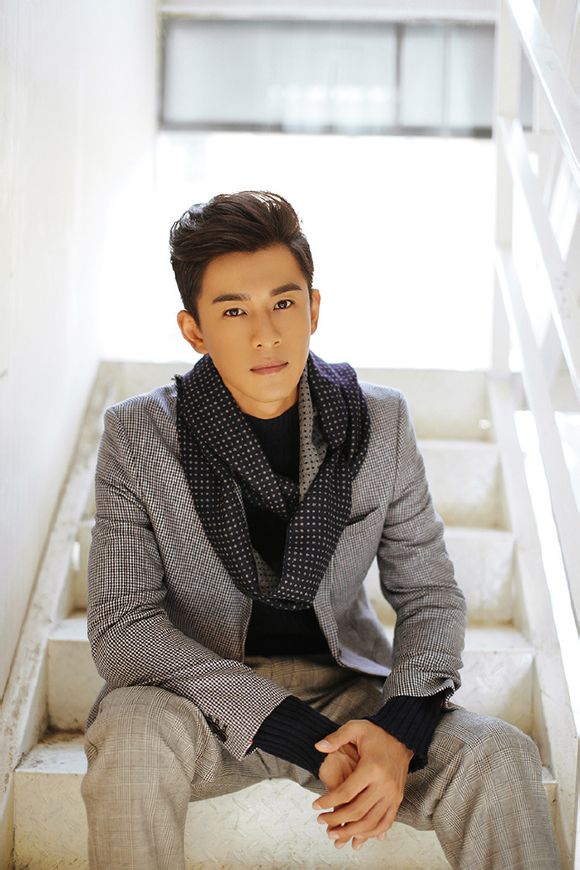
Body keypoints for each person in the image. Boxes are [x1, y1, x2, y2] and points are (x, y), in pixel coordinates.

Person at [80, 190, 560, 869]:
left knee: (499, 752)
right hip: (197, 701)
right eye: (234, 311)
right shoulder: (138, 433)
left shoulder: (380, 421)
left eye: (283, 303)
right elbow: (123, 628)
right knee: (130, 732)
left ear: (313, 308)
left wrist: (400, 729)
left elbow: (429, 594)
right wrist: (297, 734)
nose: (265, 334)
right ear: (193, 330)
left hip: (345, 692)